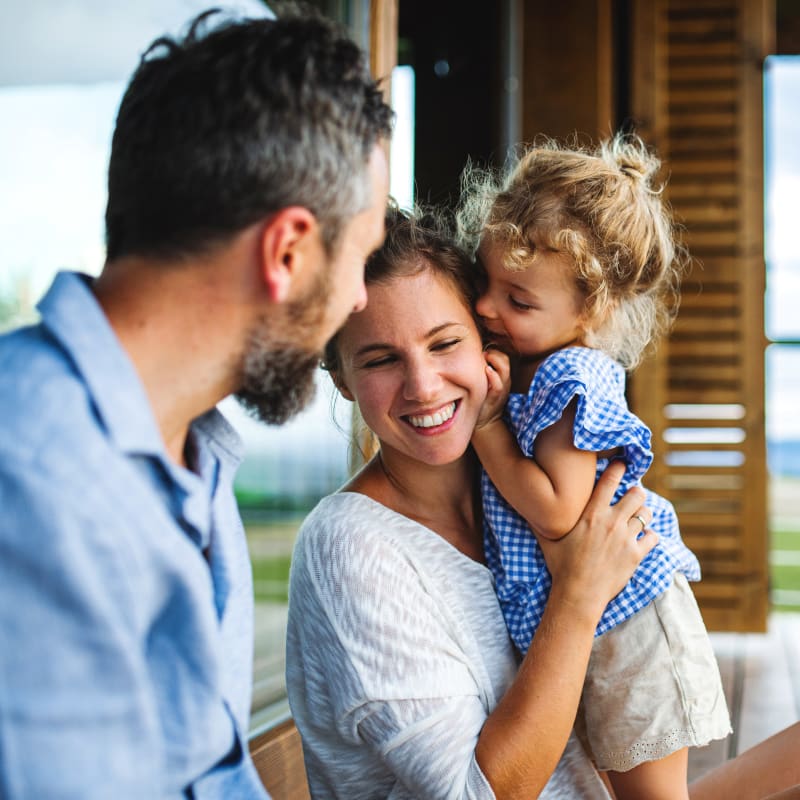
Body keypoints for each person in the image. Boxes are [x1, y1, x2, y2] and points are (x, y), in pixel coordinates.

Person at [0, 7, 392, 799]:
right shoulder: (32, 482)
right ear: (286, 251)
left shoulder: (195, 452)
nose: (357, 300)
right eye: (362, 256)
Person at [286, 204, 660, 799]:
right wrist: (579, 593)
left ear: (487, 340)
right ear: (341, 379)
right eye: (381, 359)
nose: (424, 386)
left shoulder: (522, 498)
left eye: (444, 343)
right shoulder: (350, 546)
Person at [458, 134, 730, 799]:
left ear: (590, 312)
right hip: (603, 623)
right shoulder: (536, 366)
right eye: (483, 284)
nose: (488, 309)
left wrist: (488, 427)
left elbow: (557, 507)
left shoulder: (568, 378)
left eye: (518, 302)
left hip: (633, 632)